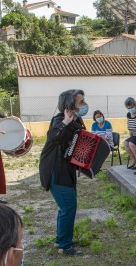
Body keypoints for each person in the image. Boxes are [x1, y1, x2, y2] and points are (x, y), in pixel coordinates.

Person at [39, 89, 88, 256]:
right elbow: (53, 136)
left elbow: (75, 144)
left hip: (66, 169)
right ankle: (65, 246)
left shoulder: (76, 121)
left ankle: (61, 239)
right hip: (55, 169)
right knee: (68, 206)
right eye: (80, 102)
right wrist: (65, 122)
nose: (84, 105)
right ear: (70, 105)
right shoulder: (59, 120)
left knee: (66, 206)